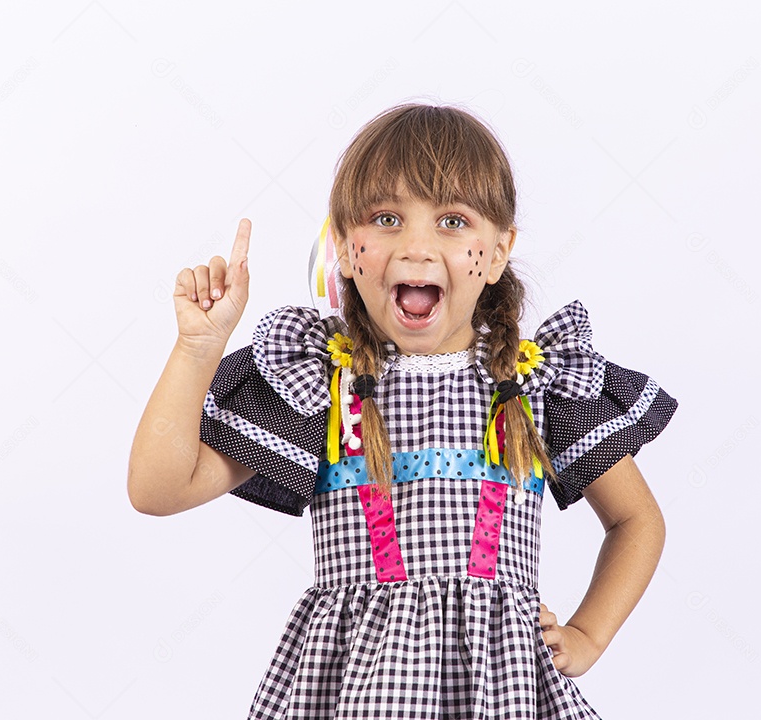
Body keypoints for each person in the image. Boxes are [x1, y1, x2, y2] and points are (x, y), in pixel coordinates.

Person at [128, 103, 679, 719]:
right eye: (386, 218)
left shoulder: (534, 384)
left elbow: (637, 521)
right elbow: (158, 488)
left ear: (499, 252)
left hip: (503, 693)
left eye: (452, 220)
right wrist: (197, 347)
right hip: (355, 694)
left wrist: (587, 636)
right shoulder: (321, 387)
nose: (416, 246)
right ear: (343, 246)